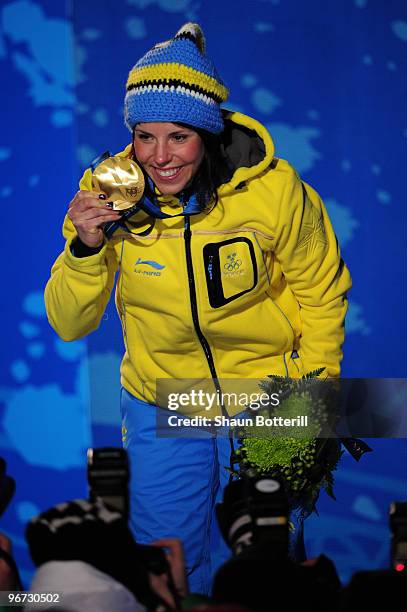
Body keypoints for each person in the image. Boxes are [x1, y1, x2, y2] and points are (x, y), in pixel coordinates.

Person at [44, 22, 352, 595]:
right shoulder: (107, 192)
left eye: (178, 136)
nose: (159, 158)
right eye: (144, 136)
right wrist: (85, 248)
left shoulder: (274, 191)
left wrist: (315, 394)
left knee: (266, 557)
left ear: (207, 134)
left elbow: (322, 291)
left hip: (267, 394)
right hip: (165, 396)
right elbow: (68, 321)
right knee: (168, 558)